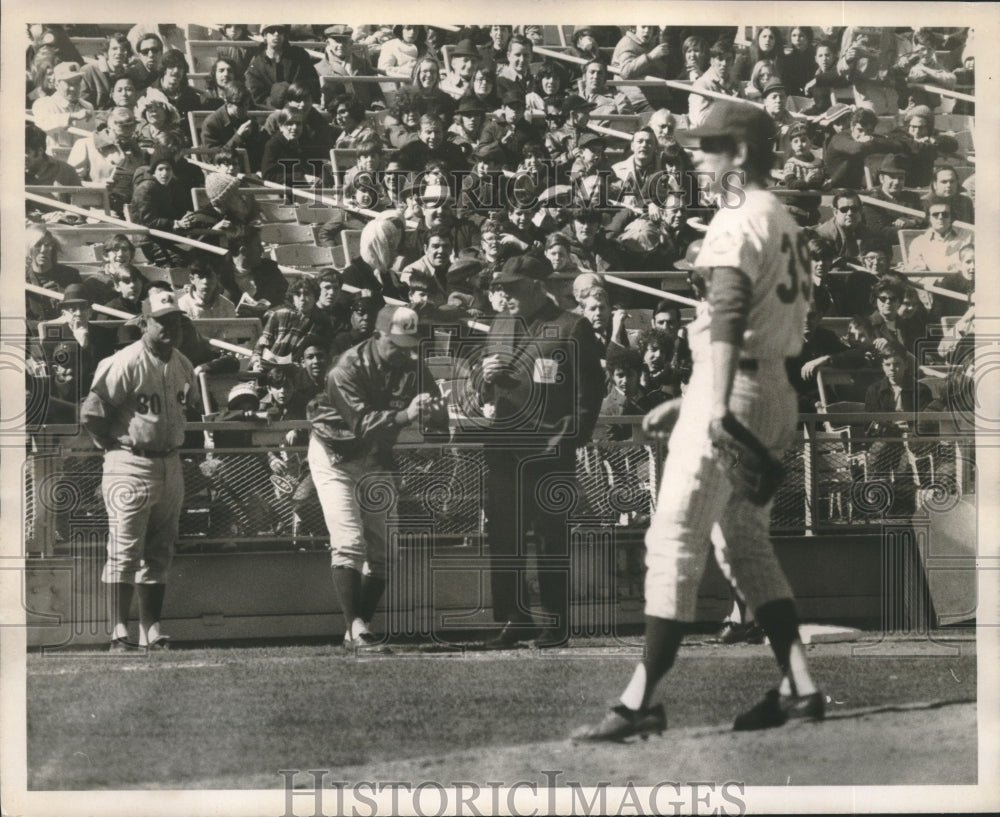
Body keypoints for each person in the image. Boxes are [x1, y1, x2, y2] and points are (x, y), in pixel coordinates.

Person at [574, 101, 823, 741]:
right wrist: (696, 396)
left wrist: (710, 405)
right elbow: (764, 330)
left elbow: (732, 312)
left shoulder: (736, 216)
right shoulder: (784, 218)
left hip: (734, 388)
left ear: (739, 153)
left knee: (673, 539)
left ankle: (641, 701)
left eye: (709, 145)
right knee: (743, 541)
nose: (696, 154)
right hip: (771, 390)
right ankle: (800, 684)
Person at [472, 254, 605, 648]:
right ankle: (516, 618)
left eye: (512, 287)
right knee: (505, 537)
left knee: (550, 538)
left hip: (548, 449)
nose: (504, 294)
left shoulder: (571, 326)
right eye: (501, 287)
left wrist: (568, 439)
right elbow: (484, 386)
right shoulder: (498, 325)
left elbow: (590, 390)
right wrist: (483, 377)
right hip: (504, 449)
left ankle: (556, 621)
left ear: (535, 284)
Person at [307, 304, 447, 650]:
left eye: (411, 343)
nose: (405, 351)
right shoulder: (346, 367)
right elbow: (362, 424)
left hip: (376, 457)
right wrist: (405, 415)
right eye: (397, 343)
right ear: (377, 334)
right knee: (349, 542)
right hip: (335, 454)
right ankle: (356, 629)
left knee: (384, 552)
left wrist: (436, 415)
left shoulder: (412, 365)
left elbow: (434, 420)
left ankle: (358, 627)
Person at [80, 288, 198, 651]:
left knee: (160, 550)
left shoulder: (182, 363)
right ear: (145, 322)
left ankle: (152, 629)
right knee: (126, 549)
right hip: (129, 460)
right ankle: (119, 631)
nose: (170, 327)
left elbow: (187, 407)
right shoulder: (126, 360)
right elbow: (92, 413)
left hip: (169, 461)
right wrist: (111, 448)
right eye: (162, 321)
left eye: (175, 320)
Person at [245, 23, 321, 109]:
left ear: (285, 35)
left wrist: (301, 101)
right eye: (272, 31)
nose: (276, 34)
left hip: (300, 107)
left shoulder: (300, 56)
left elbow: (312, 83)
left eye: (280, 31)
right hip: (270, 112)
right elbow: (257, 97)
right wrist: (281, 106)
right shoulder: (256, 64)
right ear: (265, 36)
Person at [32, 60, 98, 149]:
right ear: (56, 84)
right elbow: (44, 122)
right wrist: (73, 116)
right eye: (69, 83)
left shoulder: (88, 107)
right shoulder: (44, 104)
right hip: (55, 160)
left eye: (77, 83)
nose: (73, 88)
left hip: (82, 160)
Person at [611, 26, 672, 112]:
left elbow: (663, 72)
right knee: (663, 119)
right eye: (643, 27)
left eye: (650, 28)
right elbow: (626, 71)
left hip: (658, 96)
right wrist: (650, 56)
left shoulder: (653, 44)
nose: (647, 31)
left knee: (682, 115)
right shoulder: (627, 43)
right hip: (637, 99)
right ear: (634, 28)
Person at [907, 197, 973, 273]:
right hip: (932, 283)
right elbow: (918, 273)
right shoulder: (919, 243)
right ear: (929, 218)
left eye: (945, 214)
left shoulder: (968, 237)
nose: (940, 217)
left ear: (951, 217)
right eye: (935, 214)